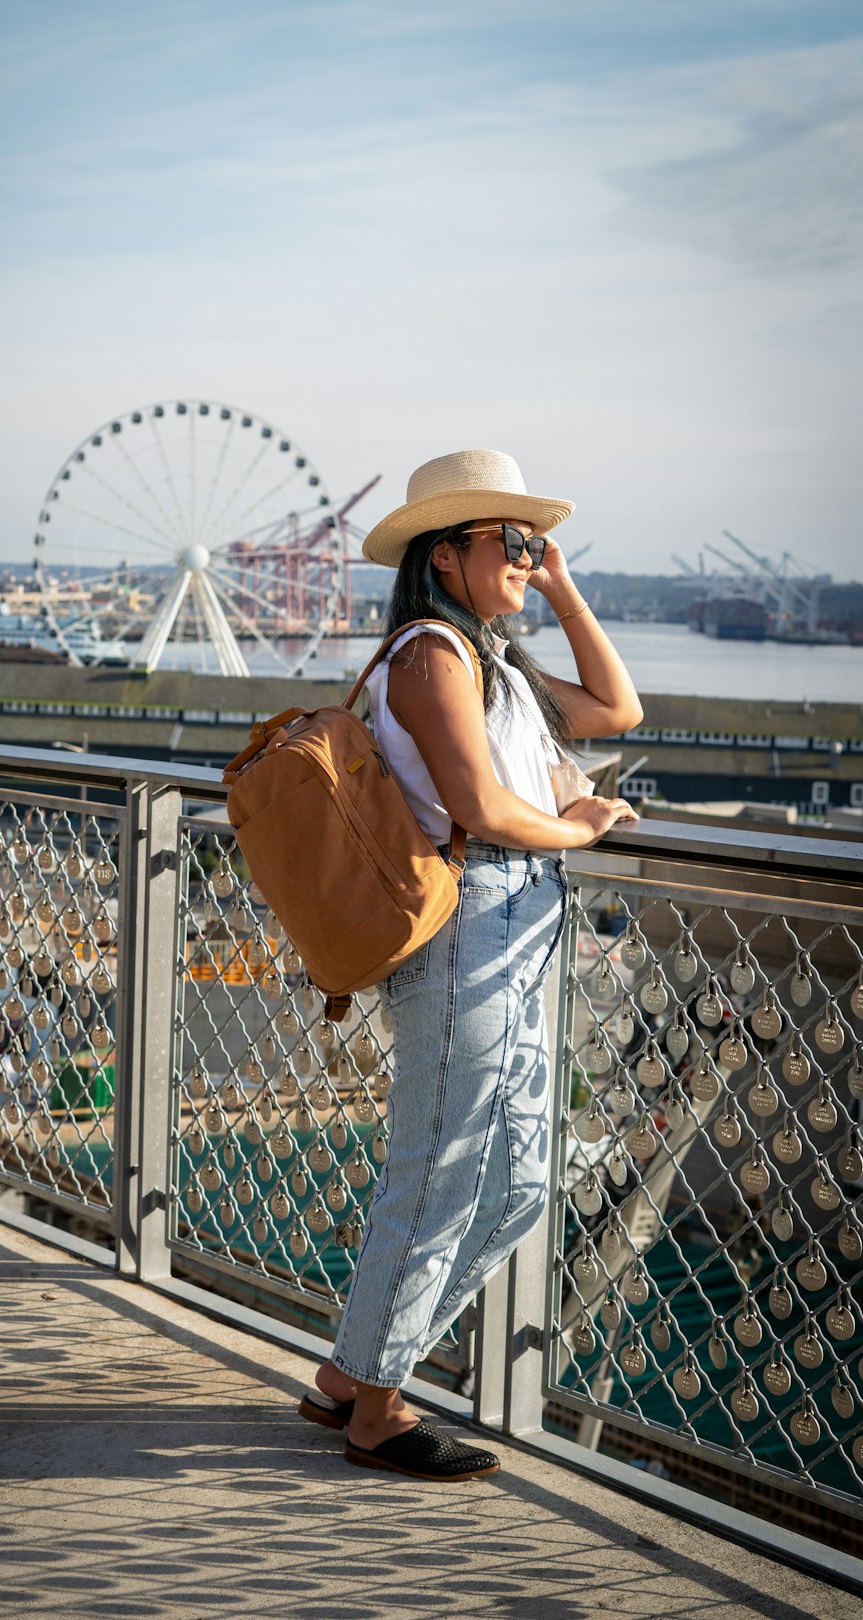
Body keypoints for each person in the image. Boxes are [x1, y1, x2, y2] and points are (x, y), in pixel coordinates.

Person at [297, 448, 643, 1480]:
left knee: (521, 1181)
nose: (532, 559)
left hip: (520, 920)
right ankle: (379, 1410)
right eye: (515, 544)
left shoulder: (494, 662)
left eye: (538, 545)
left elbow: (618, 710)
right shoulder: (429, 654)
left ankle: (353, 1374)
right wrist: (577, 826)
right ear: (447, 555)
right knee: (442, 1168)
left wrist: (566, 589)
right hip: (472, 914)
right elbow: (483, 808)